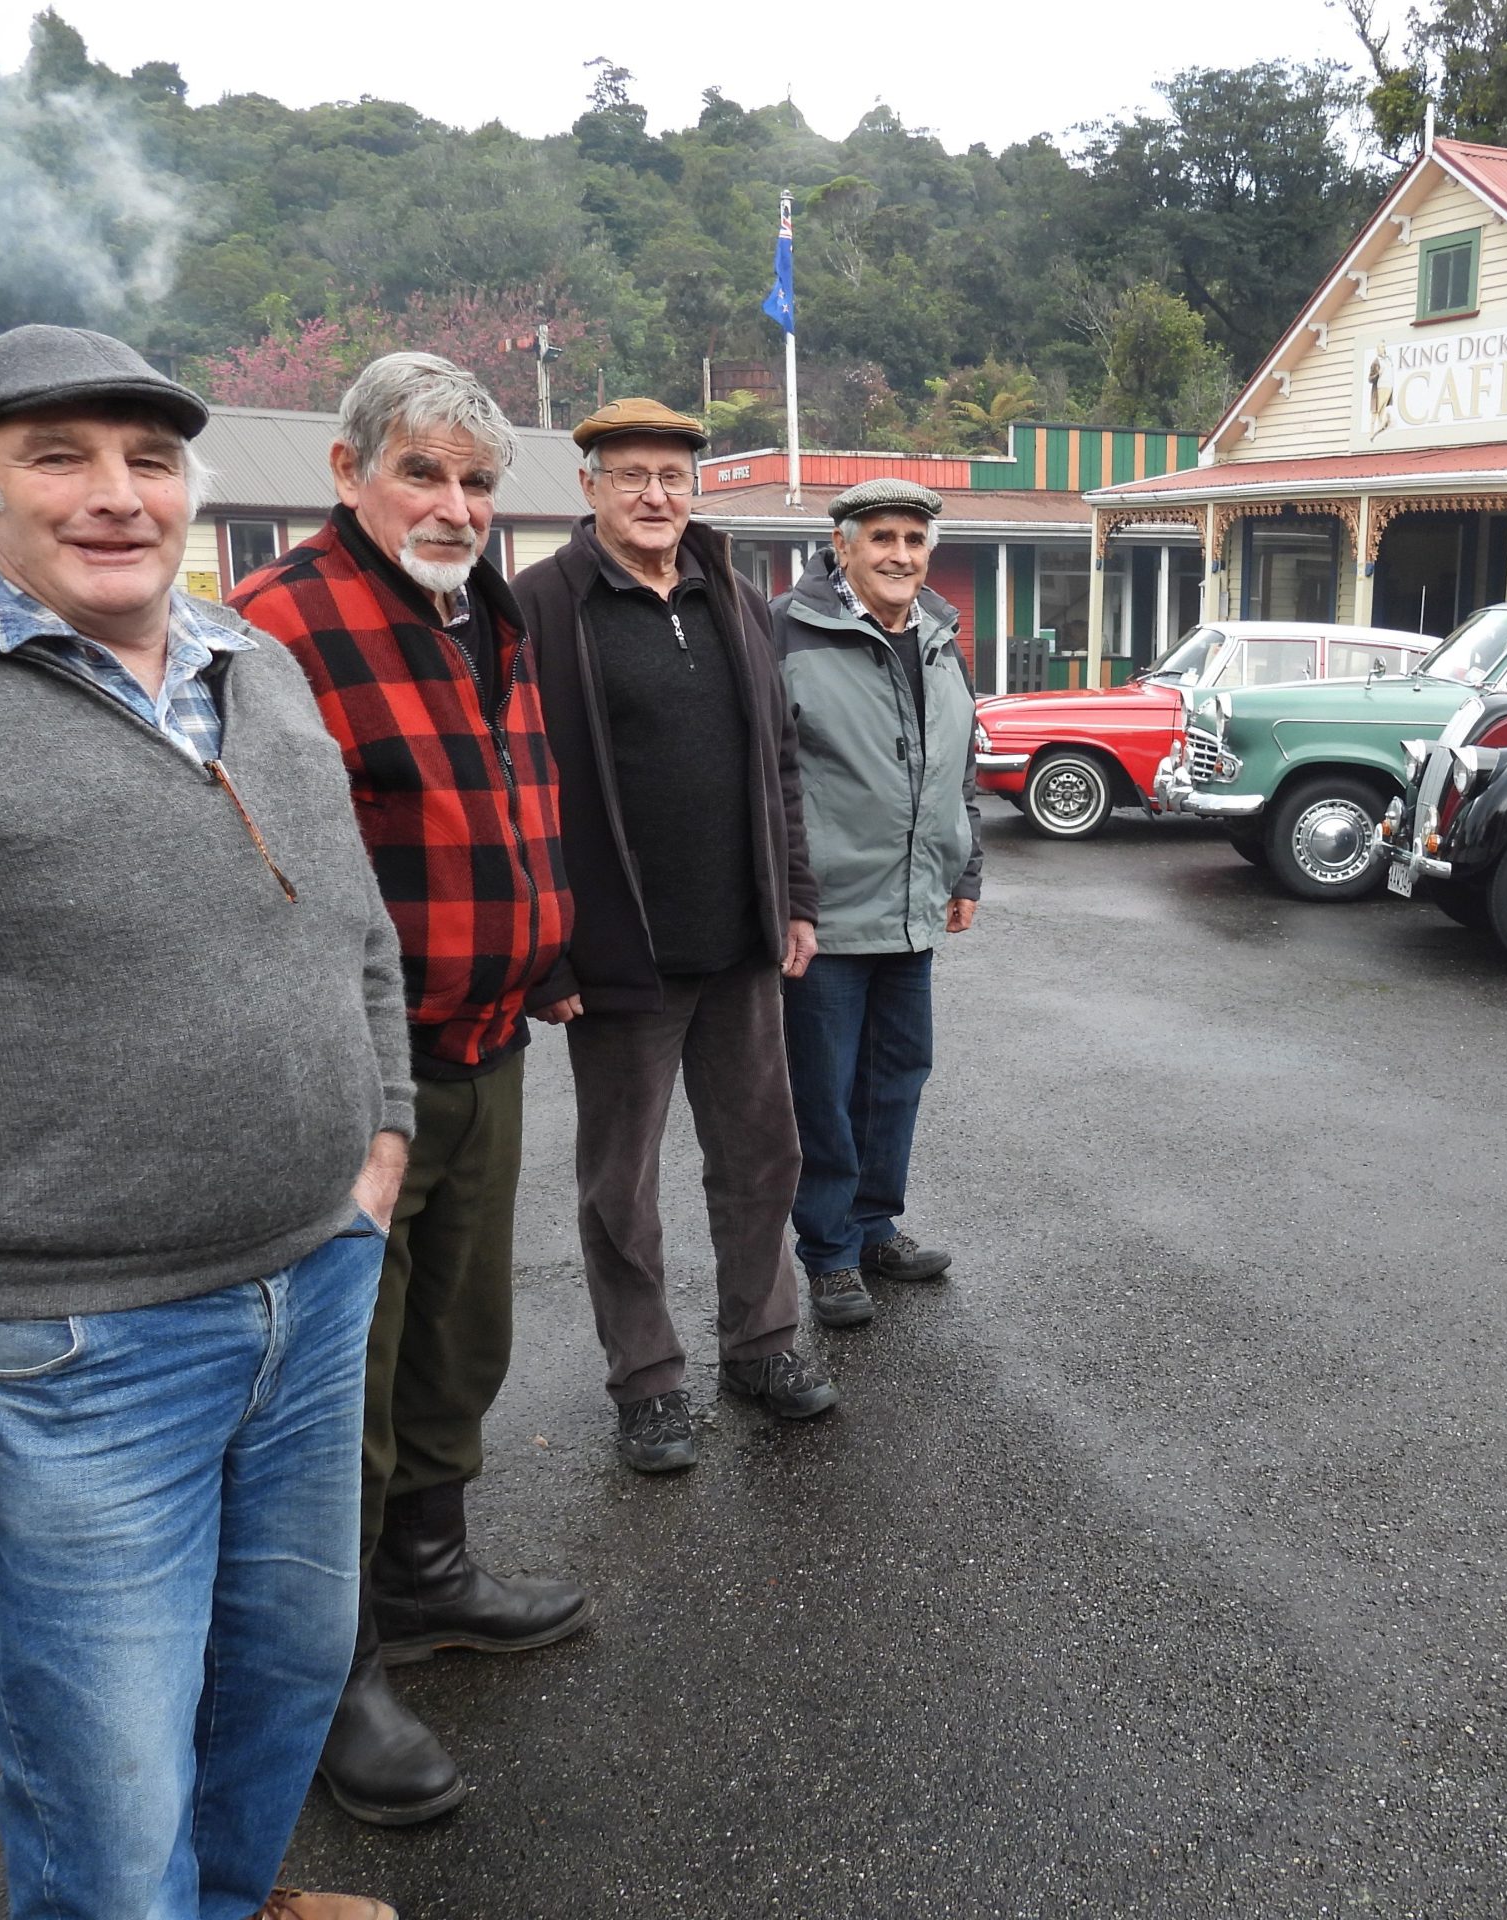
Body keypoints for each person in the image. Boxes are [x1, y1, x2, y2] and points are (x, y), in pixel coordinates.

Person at [0, 325, 404, 1920]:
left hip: (315, 1287)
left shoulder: (255, 668)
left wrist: (385, 1144)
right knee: (106, 1766)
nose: (115, 495)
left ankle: (231, 1904)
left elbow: (355, 928)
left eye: (149, 460)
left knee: (283, 1672)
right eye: (58, 455)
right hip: (75, 1354)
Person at [230, 352, 588, 1830]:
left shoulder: (478, 609)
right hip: (356, 1083)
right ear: (346, 471)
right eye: (424, 473)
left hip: (489, 1043)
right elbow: (252, 883)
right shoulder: (272, 632)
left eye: (479, 483)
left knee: (457, 1340)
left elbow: (494, 811)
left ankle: (431, 1577)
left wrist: (546, 948)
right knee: (338, 1391)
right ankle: (330, 1669)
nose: (456, 506)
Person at [513, 399, 839, 1470]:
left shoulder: (734, 597)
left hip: (738, 943)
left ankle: (761, 1342)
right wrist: (546, 951)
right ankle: (647, 1382)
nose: (656, 496)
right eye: (632, 476)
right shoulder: (540, 609)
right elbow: (517, 792)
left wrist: (793, 898)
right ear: (590, 488)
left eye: (673, 477)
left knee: (762, 1156)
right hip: (619, 961)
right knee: (623, 1186)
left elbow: (779, 764)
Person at [769, 480, 983, 1326]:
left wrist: (964, 872)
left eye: (915, 538)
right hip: (825, 915)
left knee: (896, 1078)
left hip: (912, 907)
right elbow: (769, 780)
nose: (901, 554)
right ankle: (826, 1253)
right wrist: (790, 894)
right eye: (883, 537)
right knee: (823, 1089)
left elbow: (958, 761)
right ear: (843, 543)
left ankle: (872, 1224)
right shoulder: (786, 628)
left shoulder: (937, 634)